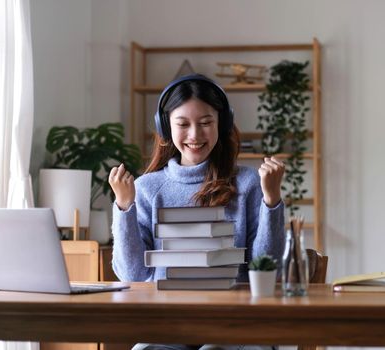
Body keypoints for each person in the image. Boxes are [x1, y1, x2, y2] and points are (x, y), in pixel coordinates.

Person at [108, 74, 285, 350]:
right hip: (168, 327)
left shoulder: (249, 183)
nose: (194, 135)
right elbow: (133, 275)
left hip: (236, 326)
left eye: (205, 123)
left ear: (222, 124)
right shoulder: (146, 188)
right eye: (183, 124)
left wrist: (272, 201)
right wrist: (124, 207)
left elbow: (265, 269)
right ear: (166, 128)